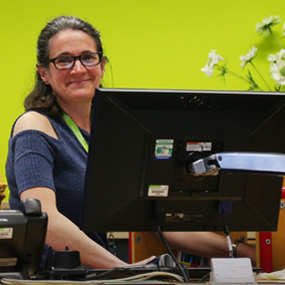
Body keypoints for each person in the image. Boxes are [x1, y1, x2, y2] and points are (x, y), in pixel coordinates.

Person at [5, 15, 256, 273]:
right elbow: (44, 219)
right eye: (64, 60)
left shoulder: (111, 133)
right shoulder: (33, 126)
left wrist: (239, 251)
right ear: (44, 73)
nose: (78, 69)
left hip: (99, 274)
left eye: (88, 57)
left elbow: (154, 222)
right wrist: (125, 269)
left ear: (102, 66)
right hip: (50, 276)